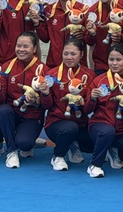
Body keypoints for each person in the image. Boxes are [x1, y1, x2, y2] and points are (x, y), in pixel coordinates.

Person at [85, 43, 123, 178]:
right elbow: (86, 110)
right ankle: (95, 165)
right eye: (111, 59)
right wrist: (92, 98)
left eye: (118, 60)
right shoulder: (98, 81)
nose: (114, 63)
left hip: (122, 131)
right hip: (100, 126)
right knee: (107, 132)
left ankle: (112, 149)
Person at [40, 38, 95, 171]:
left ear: (81, 55)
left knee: (98, 140)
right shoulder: (51, 75)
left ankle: (72, 144)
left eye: (73, 54)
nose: (69, 57)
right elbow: (46, 106)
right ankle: (58, 156)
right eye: (66, 54)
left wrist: (91, 100)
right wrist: (45, 94)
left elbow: (89, 109)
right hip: (57, 123)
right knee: (69, 128)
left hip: (81, 123)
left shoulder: (89, 75)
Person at [0, 32, 45, 169]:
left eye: (26, 46)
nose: (21, 49)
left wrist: (37, 102)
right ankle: (11, 150)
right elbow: (0, 100)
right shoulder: (6, 67)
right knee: (3, 110)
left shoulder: (43, 69)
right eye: (18, 46)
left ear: (35, 48)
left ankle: (26, 139)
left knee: (25, 143)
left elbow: (49, 104)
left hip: (32, 116)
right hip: (13, 113)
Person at [35, 0, 89, 68]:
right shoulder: (49, 9)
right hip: (53, 64)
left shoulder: (82, 10)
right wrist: (37, 23)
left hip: (77, 65)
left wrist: (85, 35)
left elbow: (90, 40)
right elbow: (45, 38)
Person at [82, 0, 123, 74]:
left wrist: (122, 37)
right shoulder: (92, 11)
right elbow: (89, 43)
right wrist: (92, 34)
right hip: (101, 64)